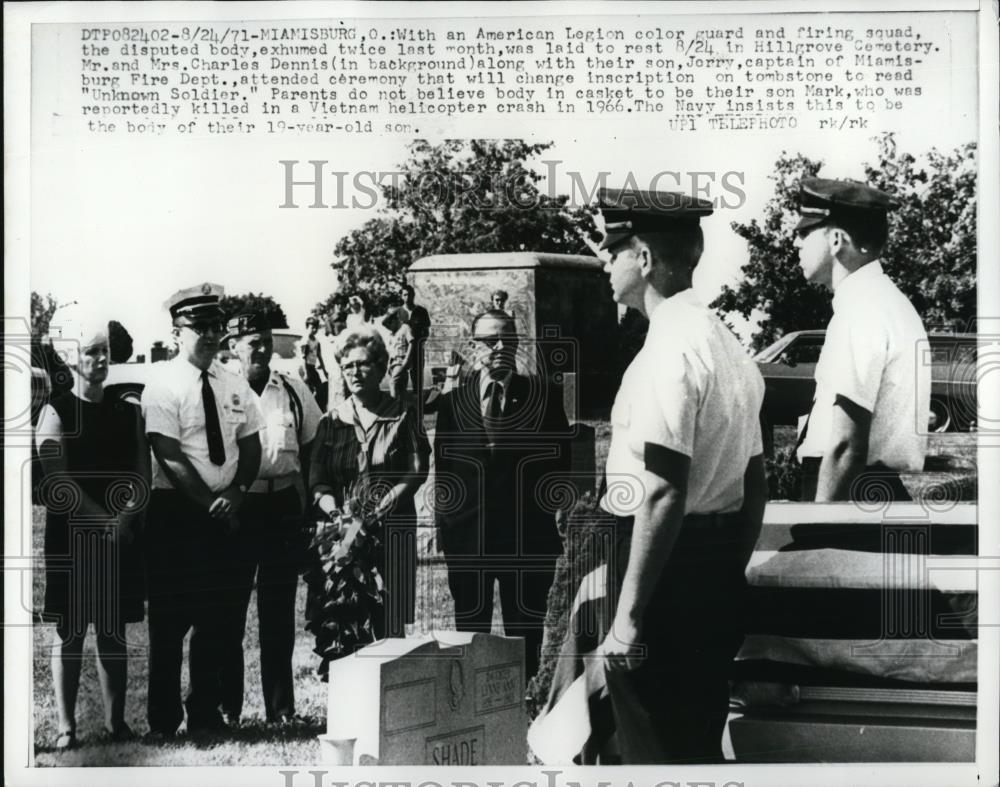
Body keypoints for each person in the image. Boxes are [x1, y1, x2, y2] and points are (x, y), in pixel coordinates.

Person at [533, 188, 768, 764]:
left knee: (652, 753)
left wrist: (629, 621)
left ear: (642, 257)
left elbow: (663, 488)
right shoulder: (728, 346)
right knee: (695, 747)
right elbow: (755, 480)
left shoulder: (669, 348)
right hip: (707, 572)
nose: (606, 266)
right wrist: (721, 573)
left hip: (659, 580)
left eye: (612, 251)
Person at [140, 283, 263, 738]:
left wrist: (239, 491)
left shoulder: (234, 382)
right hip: (177, 514)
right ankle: (164, 720)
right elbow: (167, 452)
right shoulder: (162, 383)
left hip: (227, 512)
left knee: (217, 620)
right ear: (177, 333)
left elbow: (250, 444)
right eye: (200, 327)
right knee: (170, 625)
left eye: (216, 326)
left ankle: (206, 714)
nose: (210, 335)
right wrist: (211, 502)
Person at [433, 309, 571, 684]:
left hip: (525, 539)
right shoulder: (451, 404)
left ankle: (523, 700)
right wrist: (445, 527)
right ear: (473, 346)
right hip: (469, 538)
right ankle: (470, 706)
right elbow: (444, 470)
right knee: (470, 631)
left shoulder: (543, 398)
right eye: (490, 341)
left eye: (508, 341)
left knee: (525, 631)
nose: (499, 348)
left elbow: (560, 467)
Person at [36, 313, 148, 749]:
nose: (99, 359)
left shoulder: (126, 410)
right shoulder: (56, 409)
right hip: (72, 538)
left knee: (112, 630)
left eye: (103, 351)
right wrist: (104, 522)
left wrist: (126, 518)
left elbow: (141, 468)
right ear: (71, 358)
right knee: (70, 632)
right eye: (90, 351)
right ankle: (67, 728)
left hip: (120, 537)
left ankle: (115, 722)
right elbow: (56, 477)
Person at [303, 325, 429, 677]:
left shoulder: (404, 414)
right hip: (342, 535)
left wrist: (380, 506)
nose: (355, 373)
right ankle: (348, 694)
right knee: (343, 614)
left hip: (392, 529)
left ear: (381, 366)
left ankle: (392, 695)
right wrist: (339, 515)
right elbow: (317, 478)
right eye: (347, 366)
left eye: (363, 365)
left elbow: (417, 469)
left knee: (389, 614)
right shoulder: (331, 422)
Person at [793, 178, 930, 502]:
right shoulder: (884, 300)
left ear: (836, 239)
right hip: (871, 492)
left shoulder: (862, 309)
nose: (796, 243)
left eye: (804, 232)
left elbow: (844, 446)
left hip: (850, 499)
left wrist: (819, 526)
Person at [219, 312, 323, 726]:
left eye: (264, 341)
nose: (260, 349)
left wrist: (307, 499)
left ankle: (281, 709)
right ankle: (228, 708)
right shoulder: (223, 390)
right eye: (250, 342)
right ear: (233, 347)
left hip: (281, 507)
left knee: (278, 614)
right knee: (231, 612)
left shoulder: (293, 390)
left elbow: (315, 443)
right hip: (241, 511)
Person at [400, 285, 431, 398]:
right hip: (402, 350)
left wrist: (421, 343)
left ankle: (417, 400)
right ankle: (401, 401)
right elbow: (391, 329)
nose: (407, 297)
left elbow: (426, 331)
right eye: (405, 295)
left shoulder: (421, 311)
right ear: (401, 296)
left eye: (410, 294)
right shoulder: (398, 312)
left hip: (417, 348)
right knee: (400, 374)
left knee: (417, 375)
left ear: (413, 295)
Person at [382, 307, 415, 401]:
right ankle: (405, 411)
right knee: (401, 389)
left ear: (396, 319)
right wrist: (388, 366)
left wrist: (407, 360)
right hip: (393, 364)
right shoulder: (392, 335)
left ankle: (393, 410)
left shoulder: (405, 328)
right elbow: (391, 352)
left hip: (401, 361)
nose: (389, 327)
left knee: (393, 383)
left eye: (390, 323)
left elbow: (412, 343)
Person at [301, 317, 328, 412]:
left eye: (316, 327)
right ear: (307, 327)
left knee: (321, 389)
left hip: (312, 367)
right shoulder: (306, 340)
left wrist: (324, 371)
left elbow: (319, 356)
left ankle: (319, 410)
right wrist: (305, 372)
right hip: (306, 367)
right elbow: (303, 357)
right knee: (310, 390)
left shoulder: (316, 341)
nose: (314, 330)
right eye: (312, 327)